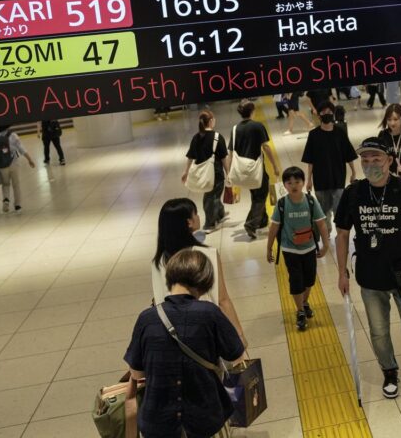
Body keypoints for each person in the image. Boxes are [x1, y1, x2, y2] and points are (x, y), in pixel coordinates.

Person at [335, 138, 401, 412]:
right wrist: (341, 272)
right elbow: (342, 234)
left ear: (389, 160)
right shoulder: (353, 194)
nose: (370, 166)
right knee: (379, 333)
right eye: (365, 161)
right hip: (370, 278)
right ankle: (389, 371)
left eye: (376, 160)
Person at [129, 249, 245, 438]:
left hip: (158, 422)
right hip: (205, 418)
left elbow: (137, 373)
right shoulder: (210, 313)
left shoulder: (146, 318)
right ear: (204, 281)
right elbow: (236, 356)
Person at [151, 198, 247, 346]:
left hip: (173, 335)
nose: (198, 217)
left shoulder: (158, 262)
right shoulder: (206, 255)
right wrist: (239, 335)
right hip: (205, 329)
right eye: (195, 213)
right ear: (189, 222)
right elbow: (222, 300)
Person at [266, 167, 329, 331]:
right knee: (296, 281)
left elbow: (321, 223)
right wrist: (268, 248)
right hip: (290, 250)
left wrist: (326, 244)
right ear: (285, 185)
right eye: (289, 182)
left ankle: (305, 302)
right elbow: (274, 227)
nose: (293, 185)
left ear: (303, 183)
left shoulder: (310, 201)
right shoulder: (282, 204)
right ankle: (300, 311)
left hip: (309, 248)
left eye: (297, 181)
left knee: (309, 280)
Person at [301, 100, 358, 234]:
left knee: (339, 210)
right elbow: (310, 160)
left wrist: (354, 172)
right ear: (318, 115)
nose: (326, 114)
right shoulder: (313, 135)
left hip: (338, 178)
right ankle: (326, 235)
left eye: (329, 112)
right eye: (323, 112)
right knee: (323, 211)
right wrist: (309, 180)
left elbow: (348, 154)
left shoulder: (340, 133)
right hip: (320, 180)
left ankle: (340, 236)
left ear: (333, 113)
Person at [229, 100, 280, 240]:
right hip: (257, 168)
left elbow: (231, 153)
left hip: (243, 170)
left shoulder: (235, 129)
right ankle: (251, 224)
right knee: (261, 194)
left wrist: (228, 172)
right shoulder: (257, 126)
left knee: (255, 193)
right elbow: (266, 147)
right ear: (252, 111)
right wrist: (275, 166)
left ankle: (262, 220)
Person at [182, 110, 229, 230]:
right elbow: (224, 158)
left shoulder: (196, 137)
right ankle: (210, 224)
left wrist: (186, 172)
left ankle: (220, 214)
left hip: (202, 174)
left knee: (212, 196)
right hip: (216, 174)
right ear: (211, 121)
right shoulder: (218, 137)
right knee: (211, 198)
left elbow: (190, 156)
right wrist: (228, 172)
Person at [0, 125, 35, 212]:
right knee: (16, 184)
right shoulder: (13, 135)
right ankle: (17, 205)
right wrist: (30, 160)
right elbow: (22, 149)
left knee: (5, 184)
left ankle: (6, 199)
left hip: (1, 165)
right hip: (13, 162)